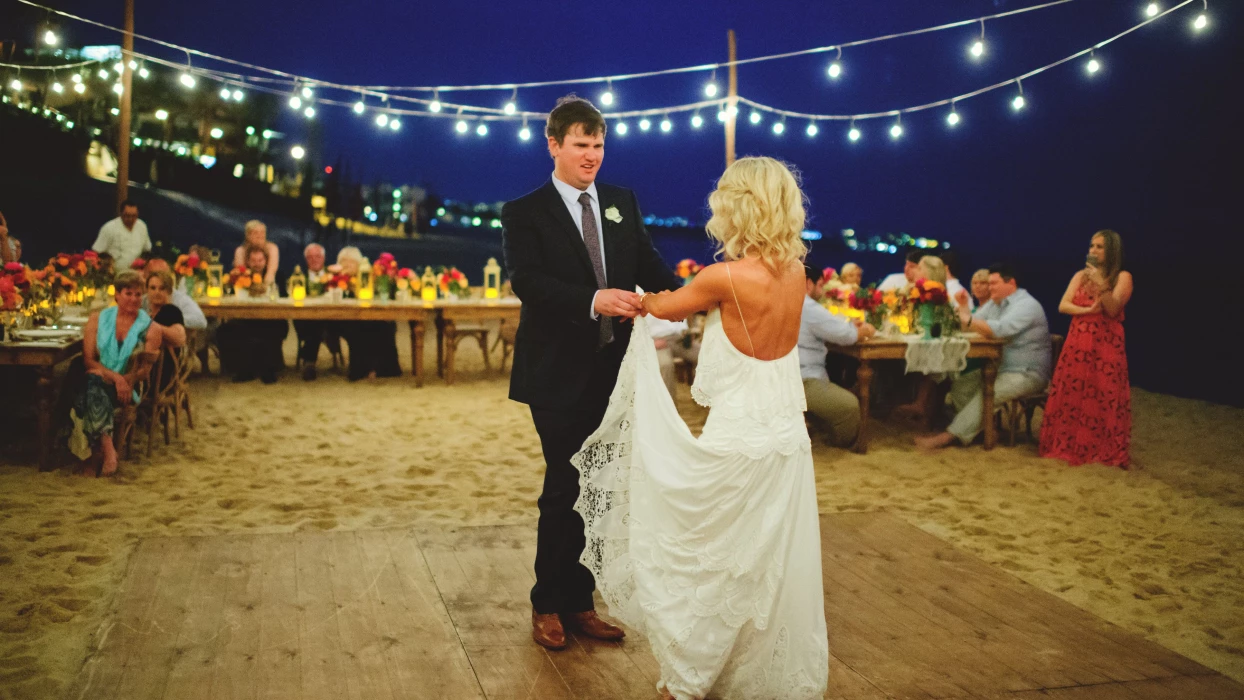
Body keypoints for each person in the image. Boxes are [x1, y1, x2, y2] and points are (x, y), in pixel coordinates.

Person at [573, 156, 829, 700]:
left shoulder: (725, 276)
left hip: (738, 439)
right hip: (786, 441)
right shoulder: (797, 273)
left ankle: (688, 680)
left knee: (714, 563)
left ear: (739, 209)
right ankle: (747, 674)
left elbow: (665, 305)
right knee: (765, 565)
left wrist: (634, 299)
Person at [501, 95, 682, 654]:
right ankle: (546, 604)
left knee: (599, 490)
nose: (592, 156)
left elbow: (650, 265)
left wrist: (691, 291)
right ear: (552, 145)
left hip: (614, 374)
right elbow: (528, 283)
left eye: (599, 145)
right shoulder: (524, 211)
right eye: (580, 145)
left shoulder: (622, 202)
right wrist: (594, 299)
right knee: (564, 486)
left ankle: (582, 604)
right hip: (554, 374)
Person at [915, 264, 1052, 450]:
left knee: (988, 394)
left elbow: (999, 330)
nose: (989, 287)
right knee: (961, 382)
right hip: (998, 369)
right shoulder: (996, 304)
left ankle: (947, 437)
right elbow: (970, 324)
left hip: (1026, 373)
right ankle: (985, 430)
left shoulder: (1027, 306)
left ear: (1011, 283)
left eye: (993, 283)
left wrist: (969, 320)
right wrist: (963, 307)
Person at [1040, 230, 1134, 468]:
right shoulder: (1080, 276)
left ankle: (1100, 448)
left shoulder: (1122, 277)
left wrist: (1102, 286)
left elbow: (1112, 309)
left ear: (1112, 250)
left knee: (1104, 393)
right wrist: (1085, 311)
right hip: (1078, 342)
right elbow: (1063, 305)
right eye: (1092, 245)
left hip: (1106, 343)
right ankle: (1068, 445)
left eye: (1099, 247)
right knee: (1074, 393)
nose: (1093, 250)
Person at [71, 271, 162, 477]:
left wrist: (124, 380)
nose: (134, 299)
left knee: (89, 389)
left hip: (129, 387)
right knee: (94, 385)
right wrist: (117, 378)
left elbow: (144, 371)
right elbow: (88, 360)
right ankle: (108, 449)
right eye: (128, 293)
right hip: (106, 380)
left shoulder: (151, 328)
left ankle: (93, 459)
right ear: (117, 295)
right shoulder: (98, 319)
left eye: (138, 294)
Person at [800, 263, 874, 447]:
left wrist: (848, 326)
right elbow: (845, 335)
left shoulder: (787, 301)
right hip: (803, 379)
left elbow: (832, 325)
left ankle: (814, 423)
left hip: (785, 374)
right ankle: (839, 443)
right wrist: (864, 330)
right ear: (809, 284)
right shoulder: (807, 305)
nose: (822, 290)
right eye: (820, 285)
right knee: (849, 406)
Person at [217, 246, 286, 383]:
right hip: (245, 318)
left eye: (260, 260)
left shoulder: (278, 275)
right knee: (226, 330)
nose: (257, 264)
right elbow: (228, 295)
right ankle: (243, 370)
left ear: (266, 261)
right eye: (253, 260)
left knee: (275, 327)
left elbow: (284, 297)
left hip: (270, 318)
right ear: (247, 262)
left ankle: (269, 371)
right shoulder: (239, 275)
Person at [335, 246, 401, 381]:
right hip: (344, 318)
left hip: (369, 315)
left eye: (351, 261)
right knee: (356, 329)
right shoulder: (335, 280)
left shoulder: (370, 277)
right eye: (343, 261)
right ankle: (359, 369)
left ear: (359, 264)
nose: (347, 265)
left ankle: (384, 368)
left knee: (384, 325)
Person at [293, 243, 342, 380]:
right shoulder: (298, 275)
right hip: (304, 319)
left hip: (330, 319)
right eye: (310, 257)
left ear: (324, 258)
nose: (314, 259)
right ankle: (324, 340)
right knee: (315, 324)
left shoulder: (334, 275)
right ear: (306, 259)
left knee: (320, 324)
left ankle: (309, 361)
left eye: (318, 256)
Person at [143, 268, 186, 390]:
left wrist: (151, 326)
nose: (157, 292)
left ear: (169, 291)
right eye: (153, 288)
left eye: (162, 288)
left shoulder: (170, 311)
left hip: (157, 376)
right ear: (147, 290)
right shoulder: (147, 314)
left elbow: (180, 338)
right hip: (147, 369)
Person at [142, 259, 206, 331]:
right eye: (152, 274)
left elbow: (200, 321)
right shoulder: (140, 300)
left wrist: (169, 320)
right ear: (144, 277)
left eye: (162, 275)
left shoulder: (180, 299)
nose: (157, 292)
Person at [91, 200, 152, 272]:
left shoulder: (142, 226)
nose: (131, 219)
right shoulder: (109, 228)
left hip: (136, 273)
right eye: (127, 216)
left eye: (134, 216)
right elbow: (96, 252)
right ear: (121, 214)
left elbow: (147, 250)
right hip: (114, 274)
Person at [232, 220, 280, 285]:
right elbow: (240, 275)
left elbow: (271, 273)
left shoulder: (272, 248)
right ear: (248, 235)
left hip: (267, 285)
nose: (260, 236)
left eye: (262, 232)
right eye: (255, 233)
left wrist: (264, 289)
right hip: (246, 285)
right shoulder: (241, 251)